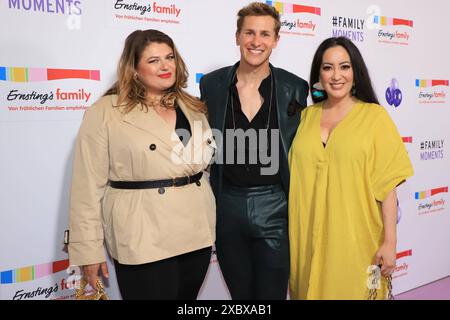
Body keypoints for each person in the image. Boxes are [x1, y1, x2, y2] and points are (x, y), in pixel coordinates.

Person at [67, 29, 216, 300]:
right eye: (153, 60)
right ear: (134, 69)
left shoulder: (192, 106)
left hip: (196, 234)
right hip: (142, 237)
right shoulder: (106, 112)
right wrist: (88, 249)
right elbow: (86, 188)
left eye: (169, 57)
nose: (165, 66)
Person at [288, 36, 414, 300]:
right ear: (318, 76)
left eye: (344, 67)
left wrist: (390, 242)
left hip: (357, 241)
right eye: (328, 67)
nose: (336, 75)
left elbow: (388, 188)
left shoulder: (375, 117)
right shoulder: (304, 118)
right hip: (305, 242)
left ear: (355, 73)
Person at [199, 2, 309, 299]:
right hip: (227, 205)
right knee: (241, 298)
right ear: (237, 37)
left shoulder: (295, 87)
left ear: (276, 40)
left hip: (275, 204)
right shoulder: (212, 84)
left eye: (264, 34)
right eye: (249, 33)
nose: (256, 41)